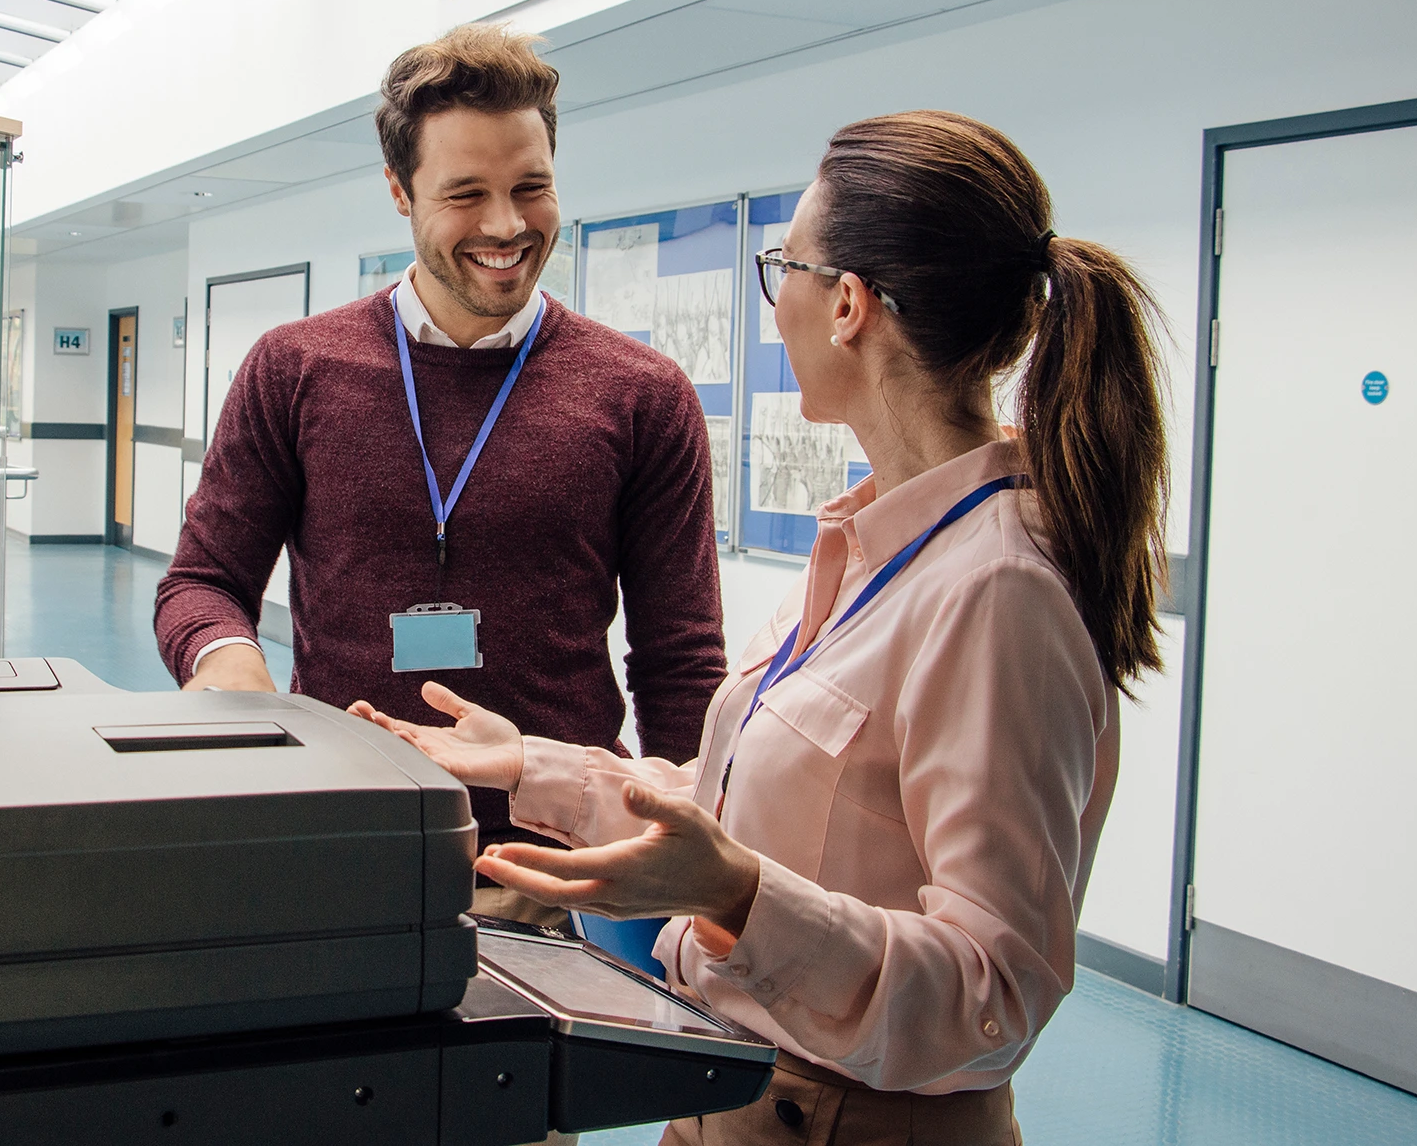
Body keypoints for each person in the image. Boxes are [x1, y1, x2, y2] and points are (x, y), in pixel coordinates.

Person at [352, 110, 1169, 1145]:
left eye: (783, 260)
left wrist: (738, 893)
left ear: (845, 305)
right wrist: (533, 767)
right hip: (733, 1089)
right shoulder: (868, 547)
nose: (772, 292)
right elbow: (757, 820)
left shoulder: (996, 590)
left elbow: (989, 997)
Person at [156, 24, 728, 926]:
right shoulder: (296, 368)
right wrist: (227, 663)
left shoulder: (640, 394)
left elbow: (680, 661)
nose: (506, 225)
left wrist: (687, 870)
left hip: (564, 886)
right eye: (466, 194)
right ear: (398, 190)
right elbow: (202, 581)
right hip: (341, 851)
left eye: (531, 188)